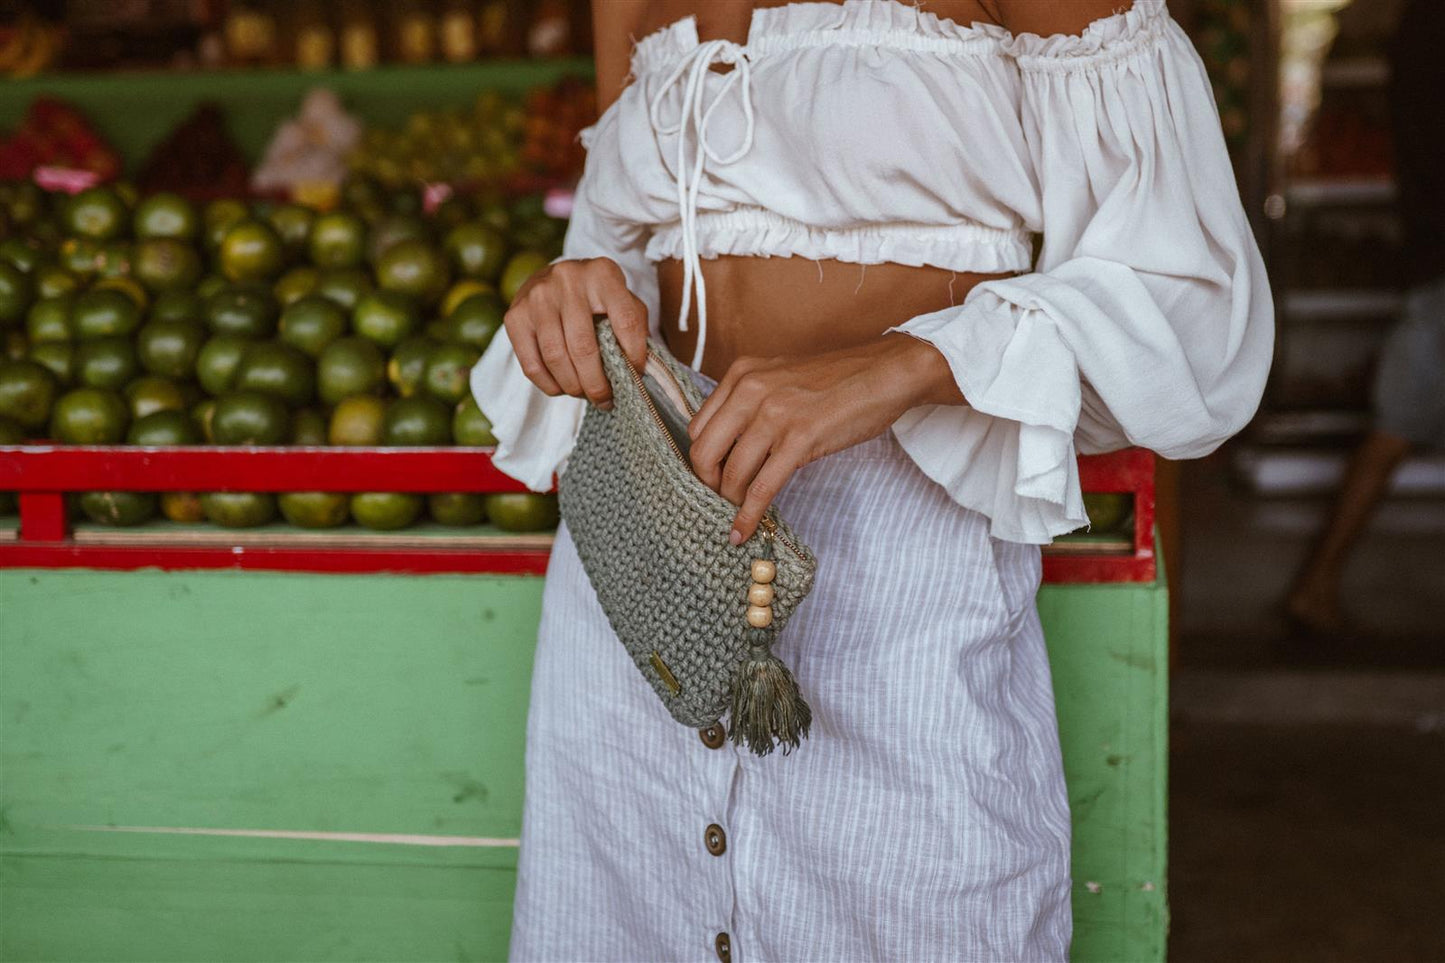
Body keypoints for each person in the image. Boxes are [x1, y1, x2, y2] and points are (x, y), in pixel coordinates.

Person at [470, 1, 1273, 959]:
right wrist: (573, 294)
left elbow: (1191, 309)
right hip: (639, 599)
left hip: (902, 600)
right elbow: (628, 247)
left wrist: (901, 366)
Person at [1286, 0, 1445, 639]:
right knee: (1394, 426)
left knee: (1392, 427)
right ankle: (1316, 583)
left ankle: (1317, 583)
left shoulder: (1417, 30)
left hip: (1431, 255)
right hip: (1439, 264)